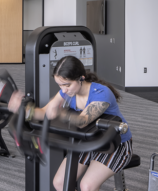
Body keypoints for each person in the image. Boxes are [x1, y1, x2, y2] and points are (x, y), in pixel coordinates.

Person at [7, 56, 133, 191]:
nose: (64, 90)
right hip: (87, 142)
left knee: (87, 186)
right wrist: (22, 109)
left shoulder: (101, 93)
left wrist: (59, 112)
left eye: (67, 85)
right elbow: (44, 112)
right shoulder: (66, 92)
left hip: (115, 145)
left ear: (81, 78)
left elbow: (82, 121)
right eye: (60, 85)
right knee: (60, 183)